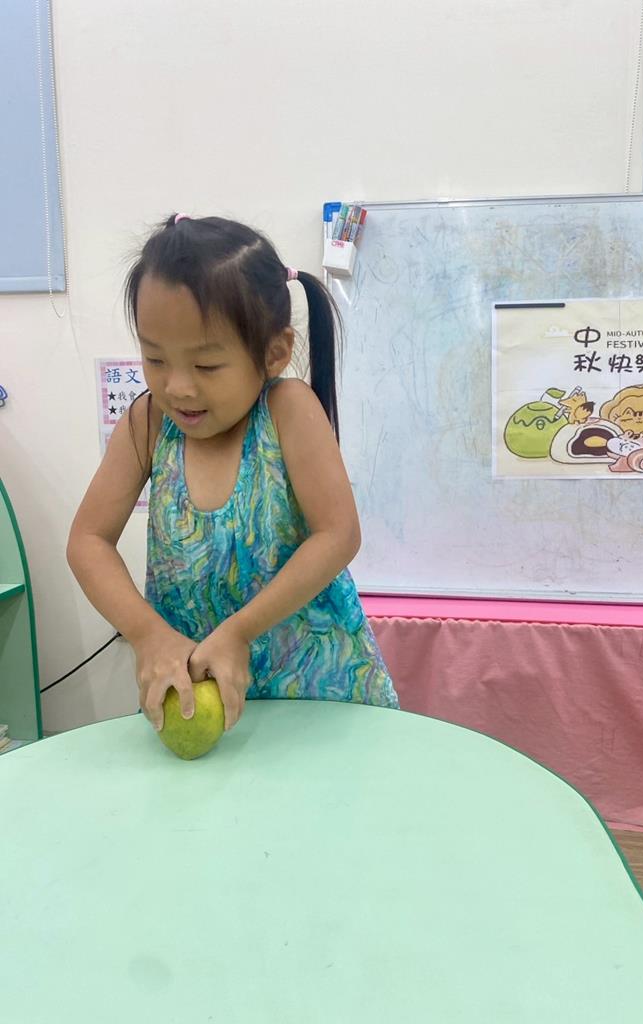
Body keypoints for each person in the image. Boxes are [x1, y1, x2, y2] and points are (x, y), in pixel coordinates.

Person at [67, 213, 398, 732]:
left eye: (206, 366)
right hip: (200, 704)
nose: (177, 387)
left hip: (318, 697)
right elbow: (88, 540)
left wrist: (240, 632)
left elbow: (338, 534)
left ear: (274, 353)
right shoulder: (148, 424)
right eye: (155, 359)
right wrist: (146, 634)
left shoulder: (288, 410)